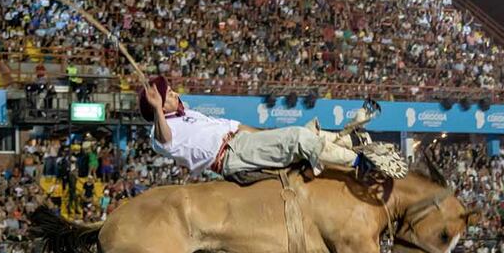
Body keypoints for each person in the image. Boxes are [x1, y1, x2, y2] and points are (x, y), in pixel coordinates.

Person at [139, 76, 405, 181]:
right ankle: (361, 161)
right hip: (229, 154)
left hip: (240, 141)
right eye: (169, 95)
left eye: (171, 91)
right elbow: (167, 140)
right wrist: (157, 111)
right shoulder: (159, 134)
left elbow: (236, 126)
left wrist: (265, 135)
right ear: (160, 108)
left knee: (309, 132)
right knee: (298, 137)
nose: (174, 93)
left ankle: (349, 139)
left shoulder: (190, 114)